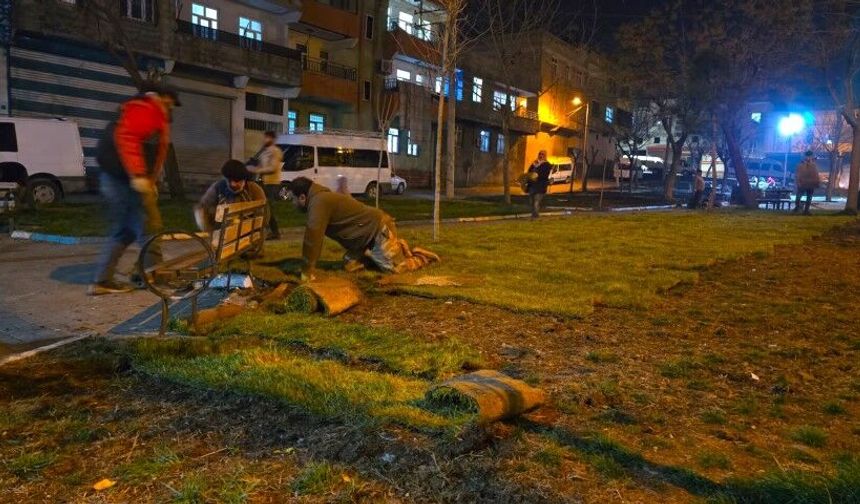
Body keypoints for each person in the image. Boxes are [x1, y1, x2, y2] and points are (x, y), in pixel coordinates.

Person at [89, 83, 179, 296]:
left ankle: (103, 280)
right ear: (161, 97)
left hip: (119, 178)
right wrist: (139, 176)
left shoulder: (142, 109)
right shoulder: (147, 108)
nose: (171, 108)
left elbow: (151, 152)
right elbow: (128, 138)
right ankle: (153, 275)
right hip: (126, 180)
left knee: (127, 230)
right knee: (149, 225)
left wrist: (151, 180)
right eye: (171, 103)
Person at [287, 176, 439, 280]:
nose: (292, 204)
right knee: (350, 265)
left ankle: (419, 256)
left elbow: (312, 237)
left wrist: (307, 271)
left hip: (377, 230)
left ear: (302, 197)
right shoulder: (320, 199)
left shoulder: (319, 202)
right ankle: (381, 253)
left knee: (394, 270)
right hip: (363, 238)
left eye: (293, 199)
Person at [195, 160, 267, 232]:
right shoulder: (218, 187)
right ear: (226, 179)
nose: (234, 184)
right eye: (230, 180)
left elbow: (263, 214)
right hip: (225, 231)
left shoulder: (253, 189)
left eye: (238, 181)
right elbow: (203, 206)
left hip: (246, 231)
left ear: (244, 179)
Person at [246, 131, 283, 240]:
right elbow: (259, 164)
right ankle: (268, 230)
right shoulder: (264, 151)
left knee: (268, 208)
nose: (264, 140)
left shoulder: (275, 151)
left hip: (271, 183)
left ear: (272, 139)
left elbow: (273, 168)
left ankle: (275, 232)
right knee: (264, 207)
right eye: (264, 137)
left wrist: (257, 169)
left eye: (267, 138)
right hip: (263, 182)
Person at [527, 150, 552, 218]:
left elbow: (545, 175)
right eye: (540, 154)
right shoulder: (534, 163)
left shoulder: (547, 165)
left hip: (541, 186)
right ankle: (534, 214)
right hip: (532, 186)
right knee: (531, 201)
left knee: (536, 201)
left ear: (545, 156)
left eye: (543, 154)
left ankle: (535, 216)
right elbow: (529, 172)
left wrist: (536, 175)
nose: (541, 155)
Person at [794, 150, 820, 215]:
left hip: (810, 183)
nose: (809, 157)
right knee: (799, 197)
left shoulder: (812, 165)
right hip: (803, 183)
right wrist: (798, 181)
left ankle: (805, 210)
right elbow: (798, 173)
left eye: (810, 156)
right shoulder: (802, 164)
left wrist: (817, 181)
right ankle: (800, 207)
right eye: (808, 156)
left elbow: (816, 174)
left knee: (808, 197)